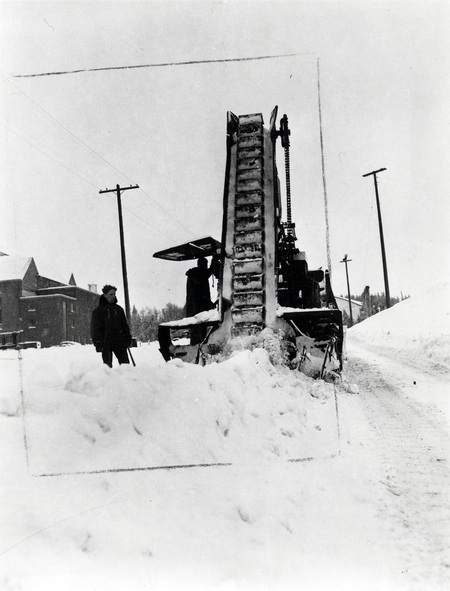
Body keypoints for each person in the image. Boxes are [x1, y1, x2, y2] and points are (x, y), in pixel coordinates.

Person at [91, 285, 132, 367]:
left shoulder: (119, 310)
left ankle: (127, 379)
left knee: (125, 366)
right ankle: (108, 380)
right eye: (111, 294)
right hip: (106, 343)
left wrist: (128, 338)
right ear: (105, 295)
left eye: (114, 294)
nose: (113, 296)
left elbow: (125, 326)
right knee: (107, 368)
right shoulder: (98, 311)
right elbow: (95, 329)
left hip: (119, 342)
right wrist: (98, 343)